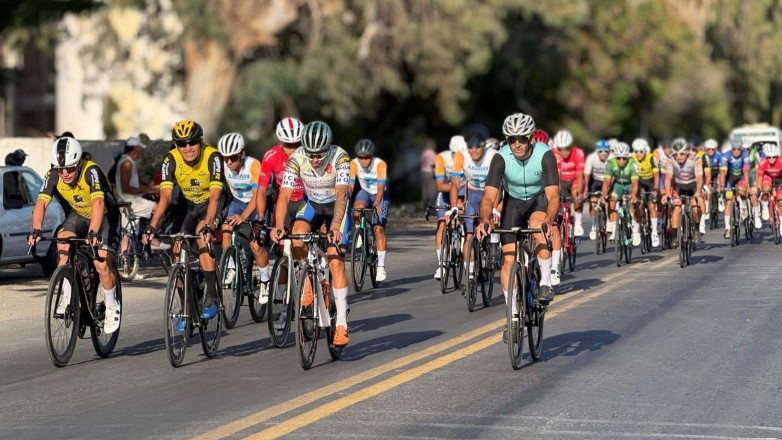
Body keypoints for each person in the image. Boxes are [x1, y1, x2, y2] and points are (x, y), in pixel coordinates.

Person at [476, 112, 559, 342]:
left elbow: (553, 195)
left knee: (538, 226)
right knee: (508, 261)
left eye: (522, 138)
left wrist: (549, 220)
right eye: (512, 139)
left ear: (530, 138)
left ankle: (545, 281)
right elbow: (488, 197)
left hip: (538, 200)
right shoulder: (501, 158)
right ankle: (512, 315)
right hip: (513, 203)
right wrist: (485, 219)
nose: (517, 144)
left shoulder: (544, 155)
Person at [271, 121, 352, 346]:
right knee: (296, 238)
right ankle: (309, 280)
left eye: (319, 154)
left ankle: (341, 324)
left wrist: (335, 226)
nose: (315, 159)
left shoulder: (340, 157)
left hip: (336, 206)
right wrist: (279, 225)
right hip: (313, 205)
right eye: (311, 154)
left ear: (328, 148)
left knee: (335, 259)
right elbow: (284, 195)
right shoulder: (297, 158)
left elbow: (342, 194)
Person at [29, 137, 121, 333]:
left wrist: (93, 232)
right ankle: (67, 293)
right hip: (80, 214)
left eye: (70, 168)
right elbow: (41, 203)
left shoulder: (91, 171)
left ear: (78, 163)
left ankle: (112, 304)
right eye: (60, 169)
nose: (65, 173)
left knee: (101, 263)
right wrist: (36, 229)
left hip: (106, 216)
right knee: (63, 242)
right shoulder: (53, 175)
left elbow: (98, 203)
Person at [144, 120, 228, 321]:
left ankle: (211, 296)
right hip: (189, 205)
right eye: (182, 144)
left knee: (201, 235)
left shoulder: (213, 157)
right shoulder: (170, 159)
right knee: (177, 249)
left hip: (212, 204)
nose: (188, 148)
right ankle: (186, 307)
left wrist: (209, 225)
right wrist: (152, 227)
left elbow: (215, 196)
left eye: (192, 142)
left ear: (200, 141)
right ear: (176, 145)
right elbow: (165, 197)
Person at [257, 118, 306, 320]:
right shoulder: (271, 156)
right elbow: (261, 191)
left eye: (297, 144)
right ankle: (285, 303)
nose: (293, 149)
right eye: (288, 145)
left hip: (305, 202)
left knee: (303, 245)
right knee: (284, 255)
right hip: (284, 204)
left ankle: (313, 281)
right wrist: (261, 218)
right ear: (280, 142)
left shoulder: (309, 154)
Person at [217, 132, 269, 303]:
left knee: (256, 245)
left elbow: (257, 195)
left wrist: (244, 216)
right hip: (238, 202)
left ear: (242, 154)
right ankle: (231, 266)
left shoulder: (253, 166)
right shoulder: (224, 166)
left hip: (256, 202)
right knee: (226, 227)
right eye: (225, 158)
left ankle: (265, 281)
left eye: (233, 158)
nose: (229, 162)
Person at [449, 134, 497, 284]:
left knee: (491, 222)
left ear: (484, 147)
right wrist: (453, 207)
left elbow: (500, 184)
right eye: (471, 148)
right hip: (473, 194)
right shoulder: (460, 156)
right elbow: (455, 183)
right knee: (469, 235)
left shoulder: (493, 156)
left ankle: (492, 247)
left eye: (478, 148)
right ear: (467, 148)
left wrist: (496, 208)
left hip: (490, 193)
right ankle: (469, 275)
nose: (474, 151)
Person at [349, 139, 390, 282]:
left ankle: (381, 266)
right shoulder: (354, 164)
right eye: (360, 157)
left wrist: (377, 203)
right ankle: (360, 233)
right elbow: (350, 186)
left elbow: (380, 188)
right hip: (365, 192)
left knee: (378, 229)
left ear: (371, 156)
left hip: (381, 194)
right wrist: (345, 199)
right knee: (357, 208)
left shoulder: (380, 164)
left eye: (366, 157)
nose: (363, 160)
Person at [550, 129, 585, 286]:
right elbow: (554, 176)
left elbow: (580, 175)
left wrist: (578, 192)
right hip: (561, 181)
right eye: (561, 148)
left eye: (567, 148)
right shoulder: (554, 153)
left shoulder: (578, 153)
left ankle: (577, 223)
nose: (564, 152)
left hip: (574, 180)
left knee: (576, 195)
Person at [432, 135, 466, 280]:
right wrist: (453, 190)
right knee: (441, 224)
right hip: (447, 191)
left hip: (464, 191)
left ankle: (465, 240)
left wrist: (460, 199)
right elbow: (440, 185)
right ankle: (441, 264)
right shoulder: (442, 158)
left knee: (465, 216)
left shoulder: (468, 157)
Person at [663, 138, 704, 245]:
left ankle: (696, 229)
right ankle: (674, 237)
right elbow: (668, 178)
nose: (678, 157)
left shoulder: (695, 158)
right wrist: (667, 193)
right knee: (676, 208)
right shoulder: (670, 159)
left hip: (693, 184)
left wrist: (698, 192)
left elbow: (699, 178)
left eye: (681, 154)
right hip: (679, 185)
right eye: (676, 154)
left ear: (687, 152)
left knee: (696, 208)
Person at [601, 142, 638, 243]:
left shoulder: (632, 163)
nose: (621, 161)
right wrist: (604, 195)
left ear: (627, 157)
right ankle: (615, 231)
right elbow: (606, 181)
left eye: (624, 158)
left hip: (630, 184)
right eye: (618, 158)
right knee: (611, 202)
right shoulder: (610, 163)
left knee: (635, 202)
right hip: (618, 185)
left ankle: (635, 229)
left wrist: (633, 195)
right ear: (615, 157)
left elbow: (635, 182)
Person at [717, 138, 751, 240]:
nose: (736, 151)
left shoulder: (745, 155)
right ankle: (727, 227)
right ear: (731, 149)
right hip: (730, 178)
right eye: (734, 149)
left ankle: (743, 207)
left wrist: (747, 184)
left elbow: (746, 171)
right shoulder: (726, 156)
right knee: (728, 200)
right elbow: (723, 172)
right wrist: (722, 185)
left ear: (741, 149)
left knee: (742, 190)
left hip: (741, 176)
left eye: (738, 149)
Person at [630, 138, 660, 247]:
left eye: (641, 151)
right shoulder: (631, 158)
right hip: (637, 181)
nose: (638, 154)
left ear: (645, 151)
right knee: (637, 205)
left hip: (649, 181)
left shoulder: (651, 158)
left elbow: (656, 175)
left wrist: (655, 188)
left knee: (651, 206)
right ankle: (636, 230)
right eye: (636, 151)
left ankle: (654, 232)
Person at [585, 139, 610, 239]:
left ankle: (608, 222)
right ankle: (593, 225)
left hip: (607, 180)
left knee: (607, 200)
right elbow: (587, 174)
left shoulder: (611, 158)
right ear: (596, 151)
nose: (603, 153)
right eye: (601, 151)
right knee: (593, 202)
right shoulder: (591, 158)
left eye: (606, 151)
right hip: (595, 180)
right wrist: (586, 188)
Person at [756, 142, 782, 236]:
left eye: (774, 157)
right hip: (768, 178)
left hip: (780, 179)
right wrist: (759, 190)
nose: (771, 159)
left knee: (780, 200)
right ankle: (765, 206)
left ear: (777, 156)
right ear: (766, 157)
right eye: (769, 157)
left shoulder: (781, 161)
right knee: (765, 189)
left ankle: (781, 222)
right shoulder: (762, 162)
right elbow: (760, 178)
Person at [420, 141, 437, 213]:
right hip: (431, 174)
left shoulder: (424, 153)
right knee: (432, 192)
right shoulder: (432, 153)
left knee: (425, 191)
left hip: (424, 173)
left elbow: (422, 161)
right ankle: (431, 210)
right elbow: (434, 163)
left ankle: (424, 209)